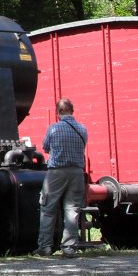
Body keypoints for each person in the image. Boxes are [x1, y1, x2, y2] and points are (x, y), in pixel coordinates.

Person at [36, 98, 88, 258]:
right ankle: (69, 248)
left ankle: (45, 247)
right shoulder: (82, 129)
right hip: (77, 172)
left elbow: (45, 148)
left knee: (48, 209)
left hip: (56, 172)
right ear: (72, 110)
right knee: (72, 210)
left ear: (58, 112)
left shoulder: (53, 129)